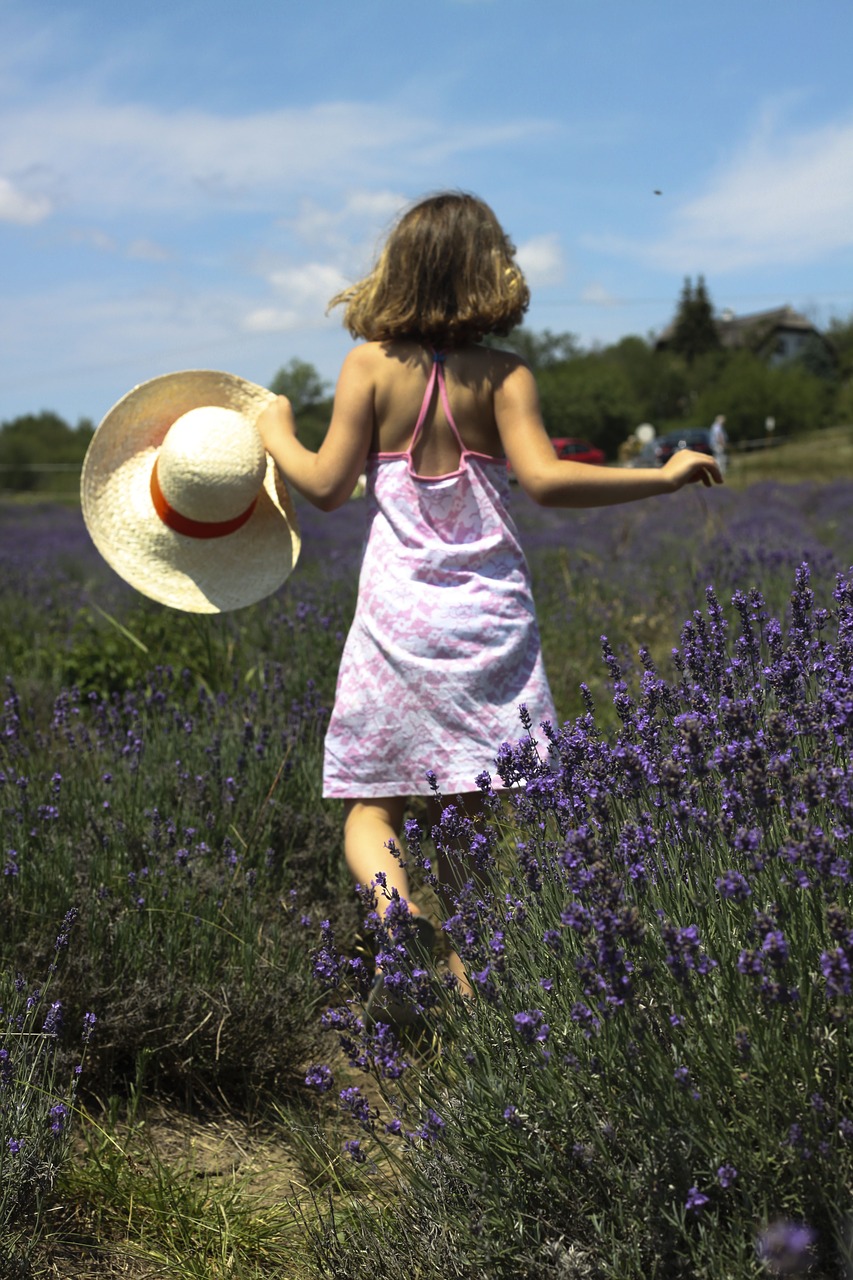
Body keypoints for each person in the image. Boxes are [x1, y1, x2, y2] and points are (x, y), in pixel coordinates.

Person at [257, 191, 722, 1000]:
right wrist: (662, 474)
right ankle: (474, 996)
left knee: (374, 811)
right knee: (470, 819)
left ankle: (397, 918)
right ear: (489, 271)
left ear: (398, 268)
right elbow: (544, 481)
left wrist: (273, 433)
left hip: (396, 625)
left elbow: (327, 488)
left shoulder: (368, 365)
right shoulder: (505, 375)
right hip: (486, 625)